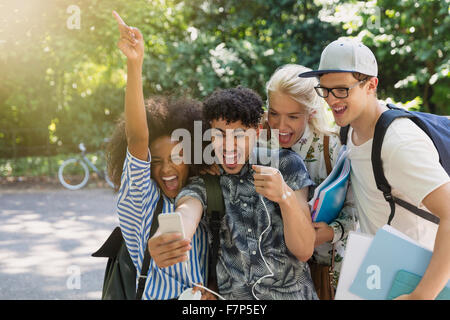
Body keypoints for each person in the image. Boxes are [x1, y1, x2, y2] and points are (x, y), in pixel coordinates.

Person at [299, 38, 450, 300]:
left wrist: (422, 295)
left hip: (417, 282)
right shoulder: (350, 131)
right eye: (325, 90)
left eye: (342, 90)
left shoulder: (399, 143)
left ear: (371, 85)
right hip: (380, 276)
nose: (332, 99)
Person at [148, 86, 318, 300]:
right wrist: (168, 236)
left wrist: (285, 196)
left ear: (256, 132)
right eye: (219, 135)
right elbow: (187, 210)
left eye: (239, 135)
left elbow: (304, 250)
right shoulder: (206, 180)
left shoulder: (286, 164)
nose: (229, 145)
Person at [107, 11, 209, 300]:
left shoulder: (203, 196)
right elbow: (137, 138)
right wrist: (134, 64)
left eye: (177, 157)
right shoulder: (141, 200)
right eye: (157, 160)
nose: (166, 168)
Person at [264, 64, 357, 296]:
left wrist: (330, 232)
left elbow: (357, 210)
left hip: (329, 272)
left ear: (311, 112)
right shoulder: (262, 145)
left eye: (293, 117)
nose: (281, 126)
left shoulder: (333, 147)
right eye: (273, 113)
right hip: (280, 277)